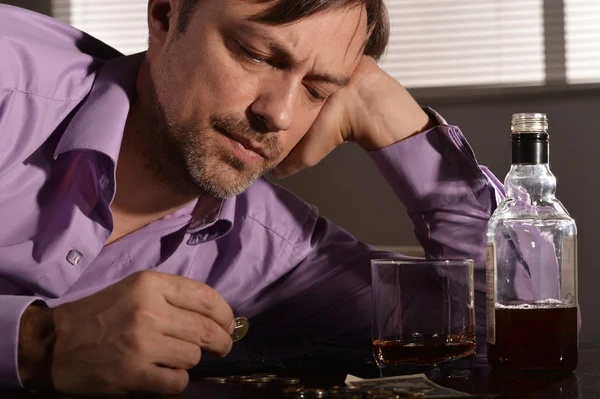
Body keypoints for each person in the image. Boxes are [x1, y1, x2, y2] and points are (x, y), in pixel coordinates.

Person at [0, 0, 503, 394]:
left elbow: (505, 333)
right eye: (259, 55)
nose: (280, 115)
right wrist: (36, 343)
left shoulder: (274, 251)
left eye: (318, 90)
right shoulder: (10, 84)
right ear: (164, 16)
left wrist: (396, 119)